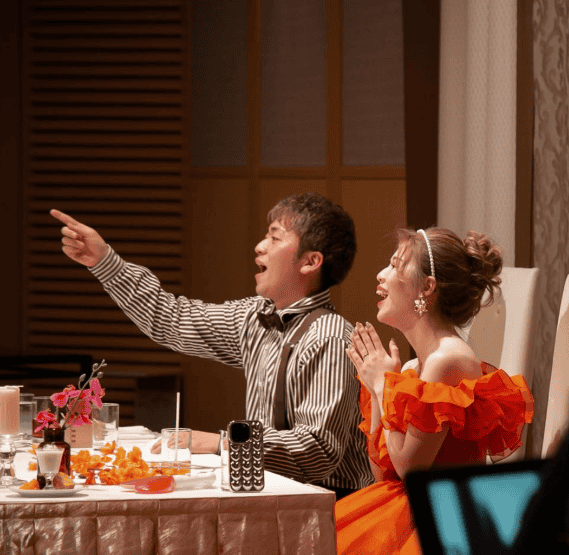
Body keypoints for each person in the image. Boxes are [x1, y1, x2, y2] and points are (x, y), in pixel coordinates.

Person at [50, 193, 374, 499]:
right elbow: (172, 319)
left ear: (310, 262)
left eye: (275, 238)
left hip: (329, 506)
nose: (260, 247)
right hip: (276, 494)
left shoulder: (328, 337)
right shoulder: (255, 317)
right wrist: (104, 261)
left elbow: (317, 449)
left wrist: (220, 442)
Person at [335, 227, 534, 554]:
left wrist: (384, 385)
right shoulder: (416, 366)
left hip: (445, 520)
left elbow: (410, 470)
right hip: (410, 507)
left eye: (395, 266)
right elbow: (383, 474)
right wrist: (379, 389)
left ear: (427, 288)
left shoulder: (449, 359)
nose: (381, 275)